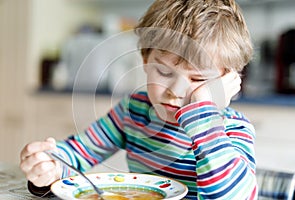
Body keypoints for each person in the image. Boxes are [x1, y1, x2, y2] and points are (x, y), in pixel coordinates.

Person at [20, 0, 257, 199]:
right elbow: (79, 152)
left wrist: (204, 115)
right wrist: (49, 167)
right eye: (164, 72)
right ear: (145, 60)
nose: (175, 90)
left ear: (227, 82)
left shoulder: (233, 129)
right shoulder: (134, 110)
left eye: (197, 79)